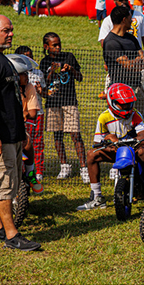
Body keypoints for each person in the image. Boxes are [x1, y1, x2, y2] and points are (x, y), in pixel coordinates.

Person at [0, 15, 40, 251]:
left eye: (11, 30)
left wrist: (21, 131)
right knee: (3, 184)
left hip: (12, 135)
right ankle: (11, 235)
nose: (11, 34)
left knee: (3, 184)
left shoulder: (2, 58)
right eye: (5, 30)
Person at [77, 84, 144, 211]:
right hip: (119, 150)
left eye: (129, 104)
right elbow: (98, 141)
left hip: (139, 147)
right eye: (122, 104)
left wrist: (123, 142)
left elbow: (143, 136)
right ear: (112, 102)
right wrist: (109, 139)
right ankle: (97, 197)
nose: (126, 107)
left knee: (142, 152)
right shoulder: (103, 118)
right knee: (91, 154)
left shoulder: (135, 114)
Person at [40, 32, 88, 181]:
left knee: (75, 134)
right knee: (57, 135)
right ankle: (64, 166)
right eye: (54, 45)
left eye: (59, 44)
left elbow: (80, 77)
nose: (58, 47)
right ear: (46, 47)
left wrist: (71, 70)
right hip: (53, 103)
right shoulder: (44, 62)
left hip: (69, 102)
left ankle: (84, 167)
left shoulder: (68, 57)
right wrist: (51, 72)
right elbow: (44, 86)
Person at [103, 6, 144, 121]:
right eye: (130, 18)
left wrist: (134, 62)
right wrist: (136, 61)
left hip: (136, 86)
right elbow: (129, 65)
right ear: (124, 20)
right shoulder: (111, 42)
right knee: (121, 121)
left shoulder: (131, 38)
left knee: (138, 119)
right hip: (120, 89)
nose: (132, 20)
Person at [15, 46, 47, 181]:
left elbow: (33, 113)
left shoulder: (29, 87)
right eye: (23, 74)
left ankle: (31, 171)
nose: (27, 76)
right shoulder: (6, 88)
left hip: (23, 125)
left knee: (29, 143)